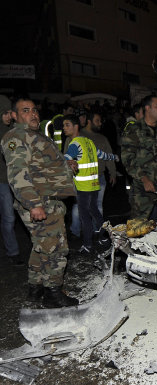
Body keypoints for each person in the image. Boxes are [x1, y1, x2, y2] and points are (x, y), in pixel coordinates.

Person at [1, 98, 78, 308]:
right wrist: (33, 203)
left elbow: (40, 164)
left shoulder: (34, 136)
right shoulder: (16, 136)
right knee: (56, 249)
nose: (33, 114)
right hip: (41, 202)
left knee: (41, 248)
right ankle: (53, 293)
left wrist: (64, 164)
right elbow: (18, 172)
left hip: (47, 201)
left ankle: (35, 290)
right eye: (25, 111)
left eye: (34, 110)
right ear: (14, 116)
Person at [63, 114, 118, 254]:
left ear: (76, 127)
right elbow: (103, 155)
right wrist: (115, 157)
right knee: (95, 211)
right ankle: (104, 236)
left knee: (85, 216)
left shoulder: (74, 144)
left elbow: (65, 160)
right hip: (94, 184)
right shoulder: (89, 142)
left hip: (83, 188)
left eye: (67, 125)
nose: (64, 128)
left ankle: (88, 244)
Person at [0, 95, 24, 266]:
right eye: (5, 113)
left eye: (11, 112)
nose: (9, 116)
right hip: (2, 181)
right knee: (8, 217)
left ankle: (13, 252)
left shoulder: (12, 131)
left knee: (10, 217)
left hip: (9, 181)